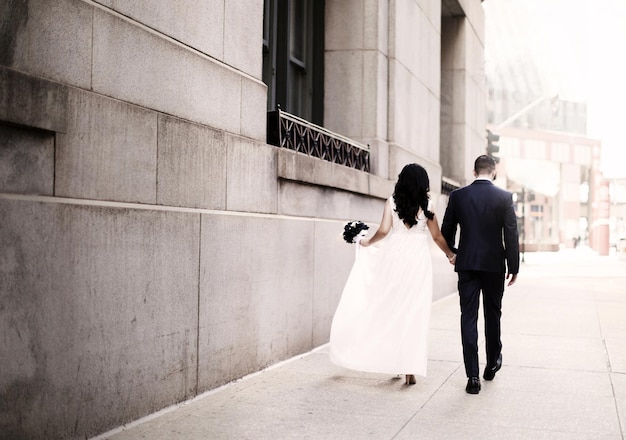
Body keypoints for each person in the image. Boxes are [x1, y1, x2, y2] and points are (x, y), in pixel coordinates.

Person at [329, 163, 456, 385]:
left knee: (395, 307)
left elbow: (384, 230)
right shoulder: (428, 204)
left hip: (395, 257)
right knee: (414, 311)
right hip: (417, 259)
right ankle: (409, 368)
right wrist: (449, 254)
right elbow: (436, 236)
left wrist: (367, 242)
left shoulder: (392, 201)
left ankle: (397, 362)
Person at [441, 155, 520, 395]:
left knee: (468, 316)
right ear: (494, 172)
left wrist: (454, 253)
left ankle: (472, 376)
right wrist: (513, 266)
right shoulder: (504, 198)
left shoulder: (458, 196)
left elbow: (447, 229)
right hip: (495, 265)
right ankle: (492, 363)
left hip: (467, 264)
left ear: (474, 172)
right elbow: (511, 235)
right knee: (493, 314)